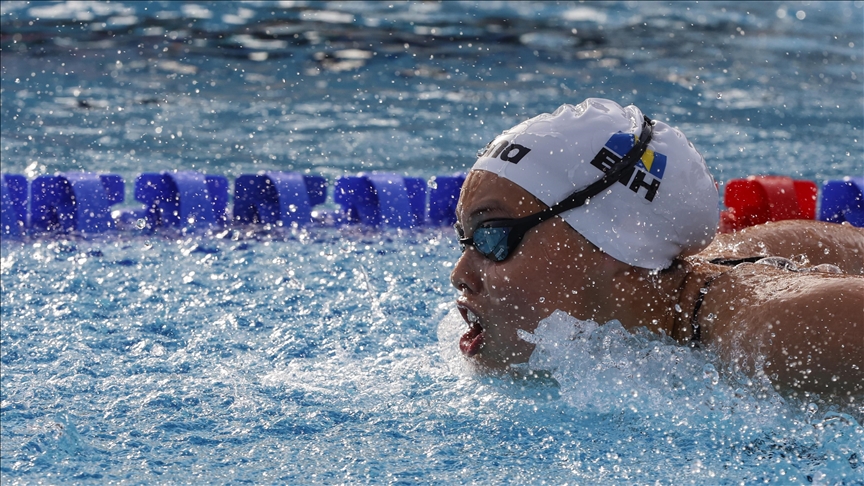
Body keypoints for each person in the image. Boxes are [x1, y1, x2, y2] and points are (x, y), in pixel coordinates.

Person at [450, 98, 864, 397]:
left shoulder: (777, 330)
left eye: (493, 237)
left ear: (611, 241)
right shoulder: (712, 277)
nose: (460, 274)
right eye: (465, 239)